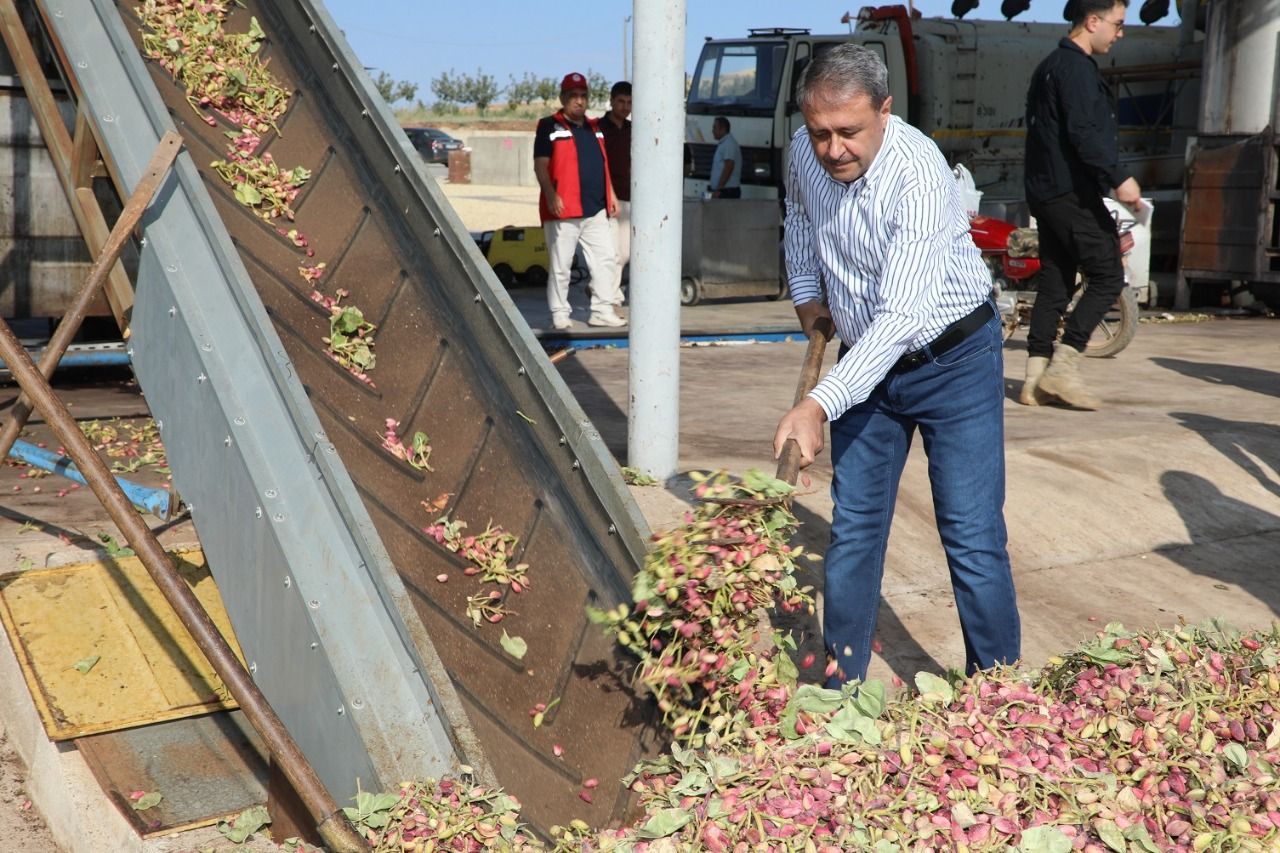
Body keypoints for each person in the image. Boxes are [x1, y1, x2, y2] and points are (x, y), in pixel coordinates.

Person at [772, 44, 1020, 686]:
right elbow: (800, 217)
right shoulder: (806, 151)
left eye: (849, 132)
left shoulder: (920, 175)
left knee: (970, 532)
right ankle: (840, 686)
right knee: (854, 529)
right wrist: (807, 296)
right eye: (819, 132)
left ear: (885, 110)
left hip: (953, 359)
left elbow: (901, 319)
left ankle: (997, 694)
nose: (832, 150)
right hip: (865, 360)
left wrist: (820, 402)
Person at [1021, 0, 1140, 409]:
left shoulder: (1048, 66)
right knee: (1108, 275)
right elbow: (1085, 133)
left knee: (1055, 281)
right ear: (1093, 21)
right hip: (1071, 191)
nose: (1121, 33)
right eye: (1118, 24)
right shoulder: (1076, 69)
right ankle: (1062, 369)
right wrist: (1118, 177)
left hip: (1044, 190)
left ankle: (1033, 379)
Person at [533, 72, 625, 330]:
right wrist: (551, 195)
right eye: (573, 96)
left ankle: (602, 310)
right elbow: (541, 165)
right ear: (563, 98)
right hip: (564, 209)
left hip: (595, 208)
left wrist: (612, 195)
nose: (579, 101)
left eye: (583, 96)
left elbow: (602, 164)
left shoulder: (594, 128)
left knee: (607, 258)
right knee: (561, 265)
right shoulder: (549, 126)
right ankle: (560, 312)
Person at [599, 81, 632, 309]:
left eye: (629, 102)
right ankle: (610, 293)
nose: (625, 107)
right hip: (605, 197)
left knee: (625, 251)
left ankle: (608, 288)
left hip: (629, 197)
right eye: (621, 101)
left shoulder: (633, 130)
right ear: (611, 101)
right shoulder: (598, 128)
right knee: (609, 250)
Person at [709, 116, 741, 198]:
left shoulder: (728, 144)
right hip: (724, 191)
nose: (712, 131)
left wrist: (719, 189)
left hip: (727, 192)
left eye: (714, 127)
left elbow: (729, 166)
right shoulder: (724, 143)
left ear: (723, 129)